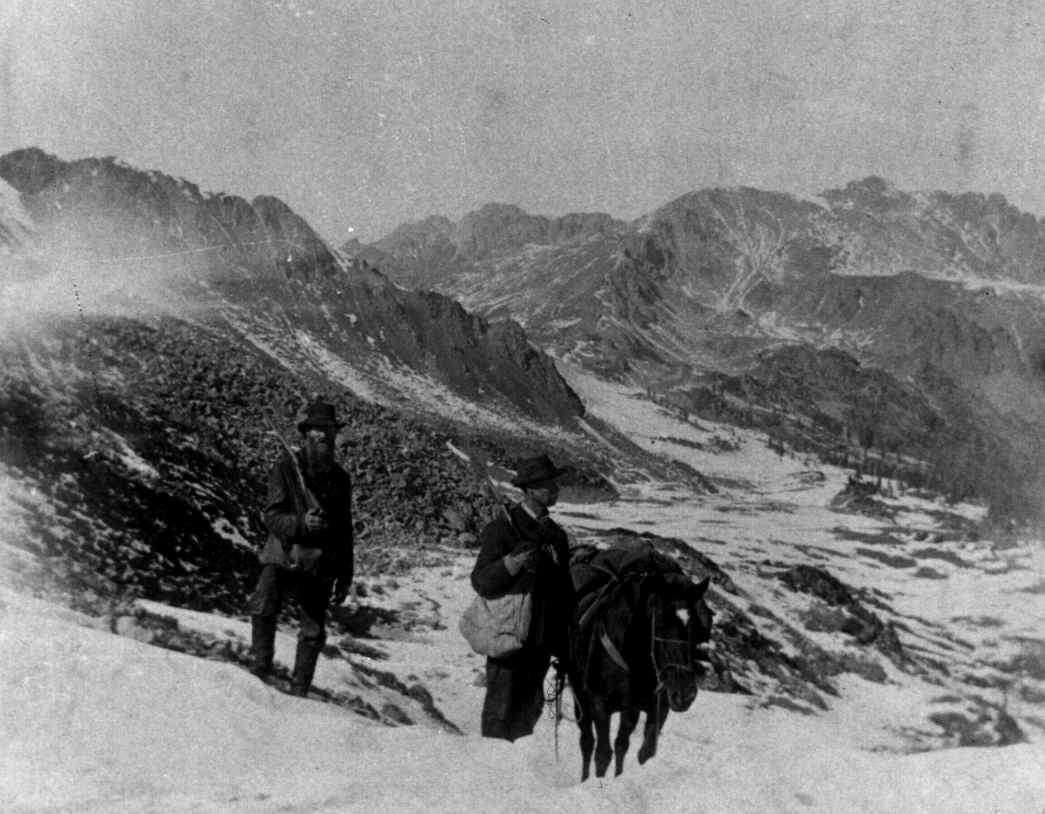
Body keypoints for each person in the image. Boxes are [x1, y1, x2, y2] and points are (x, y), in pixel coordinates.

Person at [246, 400, 354, 696]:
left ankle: (299, 691)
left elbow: (345, 530)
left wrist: (345, 574)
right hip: (283, 552)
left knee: (313, 632)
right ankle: (260, 672)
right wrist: (302, 524)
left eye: (329, 431)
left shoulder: (341, 479)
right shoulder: (285, 468)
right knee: (263, 606)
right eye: (318, 430)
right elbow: (271, 516)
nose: (324, 436)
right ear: (306, 434)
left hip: (321, 563)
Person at [470, 453, 575, 741]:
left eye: (554, 483)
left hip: (543, 642)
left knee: (528, 718)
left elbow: (563, 591)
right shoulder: (502, 529)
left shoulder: (556, 535)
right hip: (510, 638)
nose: (555, 489)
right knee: (499, 716)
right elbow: (481, 582)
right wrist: (513, 563)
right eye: (547, 484)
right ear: (529, 489)